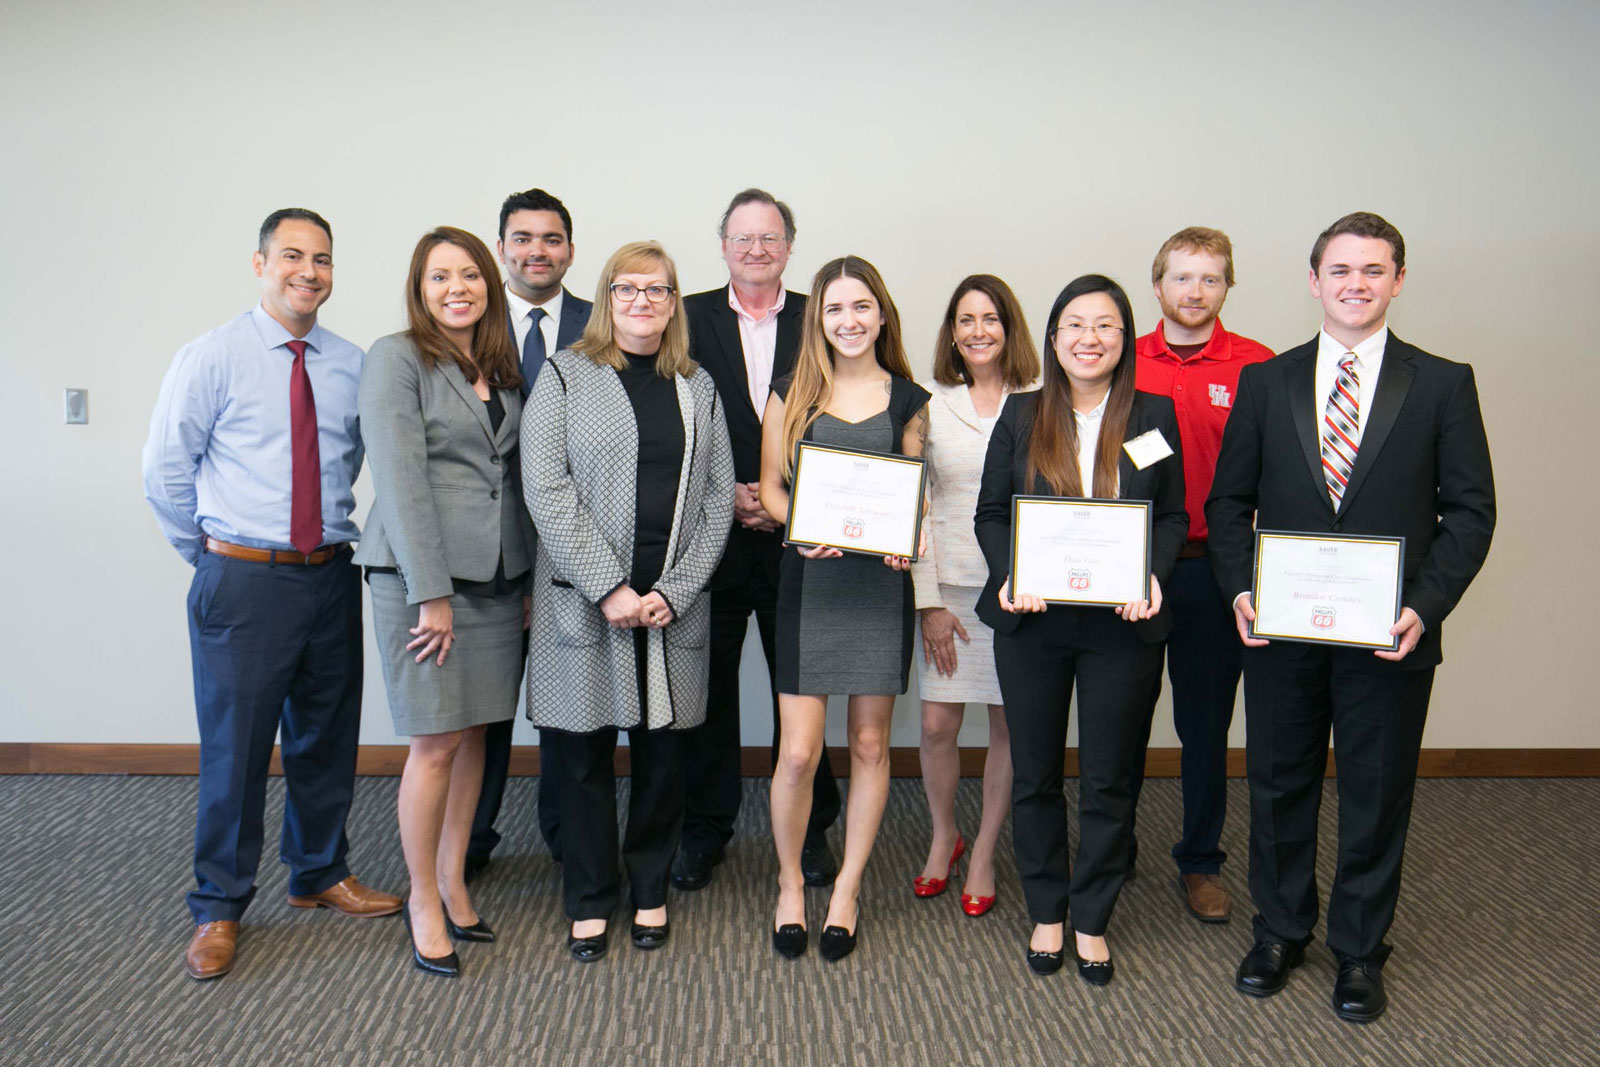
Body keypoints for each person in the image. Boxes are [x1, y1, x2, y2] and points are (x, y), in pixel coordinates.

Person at [1207, 212, 1495, 1023]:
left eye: (1374, 270)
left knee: (1375, 790)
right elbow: (1229, 501)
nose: (1356, 284)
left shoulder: (1443, 382)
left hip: (1387, 636)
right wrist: (1239, 589)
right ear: (1314, 281)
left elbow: (1471, 513)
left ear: (1398, 280)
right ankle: (1280, 928)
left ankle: (1361, 949)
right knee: (1277, 780)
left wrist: (1422, 606)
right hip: (1281, 630)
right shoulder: (1269, 382)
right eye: (1341, 270)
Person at [142, 208, 401, 982]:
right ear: (259, 264)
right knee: (237, 750)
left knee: (327, 737)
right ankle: (218, 906)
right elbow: (164, 472)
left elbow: (365, 461)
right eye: (292, 255)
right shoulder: (213, 356)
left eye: (322, 259)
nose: (309, 271)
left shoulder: (353, 363)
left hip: (328, 572)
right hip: (245, 577)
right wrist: (217, 558)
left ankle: (319, 871)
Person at [521, 241, 734, 962]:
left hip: (671, 611)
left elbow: (716, 500)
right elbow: (546, 489)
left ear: (675, 302)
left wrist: (674, 589)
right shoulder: (565, 376)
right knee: (579, 759)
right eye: (626, 288)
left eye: (658, 289)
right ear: (606, 298)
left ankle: (649, 888)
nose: (642, 301)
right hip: (588, 604)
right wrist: (610, 587)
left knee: (661, 759)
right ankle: (589, 898)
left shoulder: (696, 384)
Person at [973, 274, 1187, 984]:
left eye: (1105, 326)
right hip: (1033, 620)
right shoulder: (1021, 413)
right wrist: (1008, 571)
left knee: (1109, 775)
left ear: (1124, 339)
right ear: (1055, 336)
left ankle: (1092, 915)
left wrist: (1151, 574)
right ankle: (1048, 908)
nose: (1089, 338)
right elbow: (993, 511)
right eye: (1074, 324)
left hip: (1122, 627)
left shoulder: (1153, 415)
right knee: (1034, 771)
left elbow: (1174, 517)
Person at [355, 226, 538, 977]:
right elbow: (398, 479)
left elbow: (514, 481)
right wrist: (430, 592)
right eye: (440, 277)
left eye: (469, 275)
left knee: (474, 740)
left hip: (496, 583)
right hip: (423, 581)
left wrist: (525, 580)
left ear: (490, 285)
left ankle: (456, 876)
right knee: (433, 744)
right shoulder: (396, 358)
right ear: (419, 288)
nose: (456, 287)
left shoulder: (500, 367)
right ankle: (423, 896)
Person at [759, 256, 931, 962]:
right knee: (798, 753)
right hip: (810, 584)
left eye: (862, 307)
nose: (849, 320)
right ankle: (790, 882)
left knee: (868, 745)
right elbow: (770, 488)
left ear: (881, 315)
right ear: (818, 319)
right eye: (835, 309)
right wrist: (802, 526)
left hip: (879, 590)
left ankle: (847, 890)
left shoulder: (909, 400)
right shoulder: (790, 391)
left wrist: (911, 534)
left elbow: (915, 495)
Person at [674, 188, 840, 893]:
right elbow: (668, 418)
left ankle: (810, 829)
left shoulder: (824, 316)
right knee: (705, 691)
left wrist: (786, 503)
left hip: (800, 541)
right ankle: (705, 827)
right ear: (722, 245)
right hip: (709, 539)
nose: (755, 249)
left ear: (790, 245)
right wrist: (729, 494)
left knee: (800, 685)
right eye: (742, 238)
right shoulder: (685, 317)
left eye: (769, 237)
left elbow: (845, 417)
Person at [1125, 227, 1275, 922]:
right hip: (1131, 566)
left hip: (1214, 571)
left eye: (1209, 279)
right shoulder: (1121, 358)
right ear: (1157, 286)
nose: (1194, 291)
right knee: (1118, 717)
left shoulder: (1259, 367)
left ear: (1226, 287)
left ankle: (1200, 860)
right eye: (1181, 278)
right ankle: (1112, 847)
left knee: (1206, 727)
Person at [466, 188, 592, 882]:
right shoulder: (466, 322)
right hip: (487, 548)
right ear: (502, 247)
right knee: (485, 708)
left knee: (566, 705)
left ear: (570, 250)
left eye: (550, 239)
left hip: (572, 545)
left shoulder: (599, 325)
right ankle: (471, 838)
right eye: (522, 238)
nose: (536, 251)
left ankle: (564, 836)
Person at [909, 275, 1039, 916]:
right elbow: (915, 506)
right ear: (952, 332)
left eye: (991, 318)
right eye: (966, 319)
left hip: (1021, 591)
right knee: (937, 725)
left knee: (1008, 728)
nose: (979, 331)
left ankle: (984, 848)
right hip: (950, 589)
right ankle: (944, 835)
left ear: (1010, 328)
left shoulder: (1042, 401)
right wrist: (927, 600)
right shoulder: (928, 404)